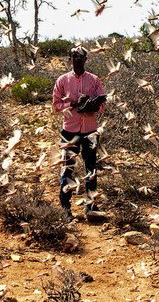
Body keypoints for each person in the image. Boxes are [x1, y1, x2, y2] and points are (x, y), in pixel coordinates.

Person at [51, 45, 107, 222]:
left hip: (90, 130)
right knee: (67, 169)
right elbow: (56, 105)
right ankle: (65, 209)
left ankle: (91, 207)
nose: (78, 60)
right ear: (70, 59)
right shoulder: (62, 80)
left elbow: (103, 104)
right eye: (75, 57)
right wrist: (74, 105)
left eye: (81, 57)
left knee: (91, 169)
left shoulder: (94, 80)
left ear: (86, 59)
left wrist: (91, 105)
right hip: (70, 131)